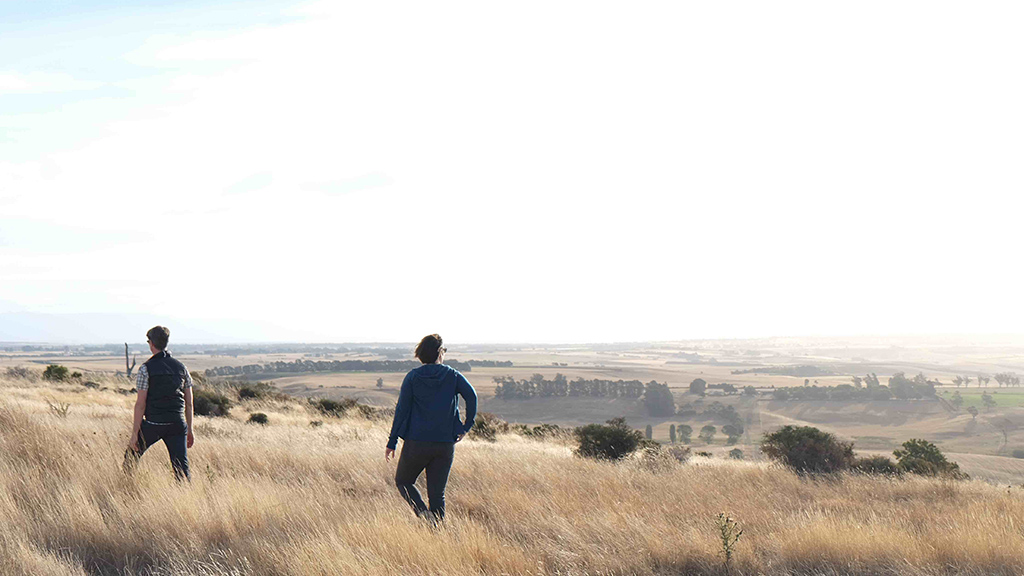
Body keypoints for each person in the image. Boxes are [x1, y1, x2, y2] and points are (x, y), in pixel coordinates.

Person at [386, 334, 477, 523]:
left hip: (416, 442)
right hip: (444, 444)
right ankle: (437, 531)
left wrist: (392, 441)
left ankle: (423, 514)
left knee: (404, 481)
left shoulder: (413, 377)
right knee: (437, 495)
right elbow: (472, 397)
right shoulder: (452, 375)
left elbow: (402, 410)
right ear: (439, 352)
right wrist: (466, 426)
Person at [123, 326, 195, 481]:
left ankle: (127, 489)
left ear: (151, 344)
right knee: (181, 469)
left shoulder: (145, 369)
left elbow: (140, 404)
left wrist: (135, 434)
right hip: (177, 423)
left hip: (153, 423)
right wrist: (189, 429)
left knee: (130, 458)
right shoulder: (182, 368)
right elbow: (189, 403)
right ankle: (186, 498)